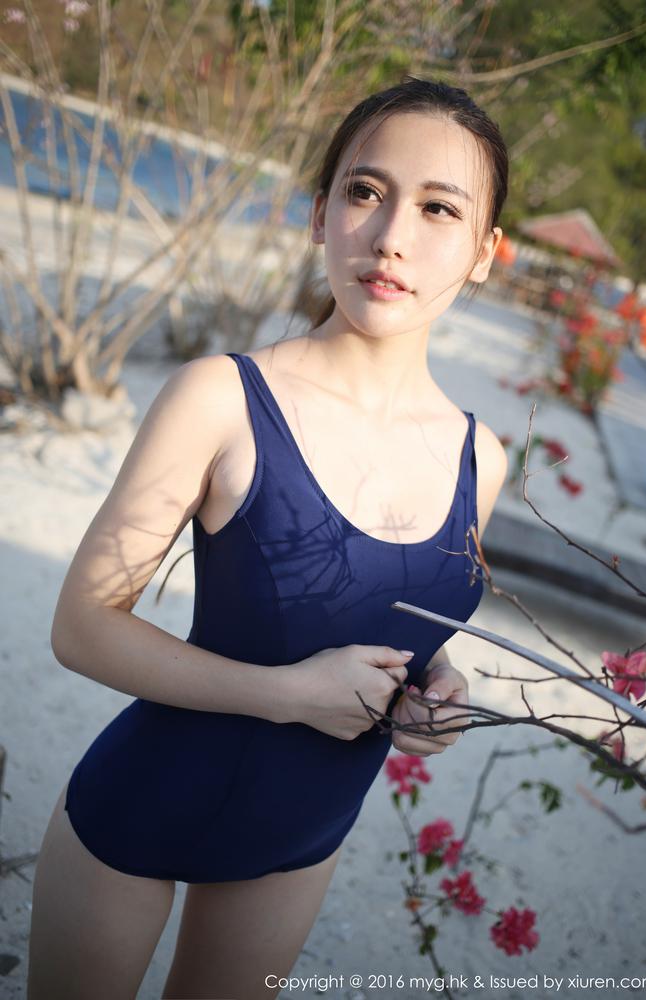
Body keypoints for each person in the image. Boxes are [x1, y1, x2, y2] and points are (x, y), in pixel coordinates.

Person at [27, 76, 509, 999]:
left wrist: (435, 685)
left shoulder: (479, 459)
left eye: (439, 208)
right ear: (321, 213)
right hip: (139, 813)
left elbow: (401, 615)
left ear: (486, 252)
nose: (392, 236)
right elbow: (80, 627)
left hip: (301, 841)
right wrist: (287, 695)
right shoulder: (222, 397)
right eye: (366, 192)